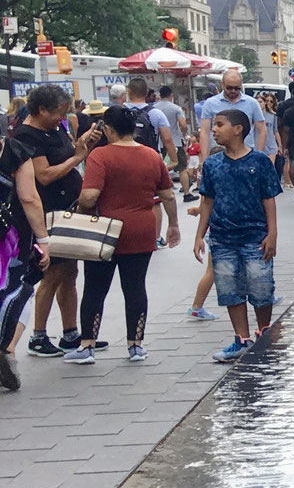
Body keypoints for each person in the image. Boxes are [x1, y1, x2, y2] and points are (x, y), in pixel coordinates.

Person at [69, 103, 178, 363]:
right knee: (135, 288)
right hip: (141, 230)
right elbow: (168, 194)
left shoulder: (101, 156)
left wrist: (84, 210)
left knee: (95, 288)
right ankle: (135, 345)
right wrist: (173, 224)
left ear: (107, 129)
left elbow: (89, 195)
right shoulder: (152, 155)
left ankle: (87, 345)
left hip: (104, 232)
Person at [9, 83, 99, 358]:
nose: (62, 118)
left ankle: (71, 332)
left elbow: (65, 152)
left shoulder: (53, 129)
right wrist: (78, 157)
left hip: (67, 210)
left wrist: (79, 144)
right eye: (58, 113)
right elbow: (44, 175)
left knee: (69, 272)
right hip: (49, 213)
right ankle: (38, 336)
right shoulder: (26, 136)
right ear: (41, 110)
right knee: (52, 274)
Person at [193, 106, 282, 364]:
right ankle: (241, 338)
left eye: (220, 125)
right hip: (222, 237)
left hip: (255, 235)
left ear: (238, 130)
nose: (215, 130)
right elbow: (207, 201)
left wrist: (272, 233)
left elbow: (269, 200)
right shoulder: (212, 164)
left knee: (261, 284)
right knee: (229, 287)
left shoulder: (260, 162)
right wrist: (200, 234)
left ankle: (263, 331)